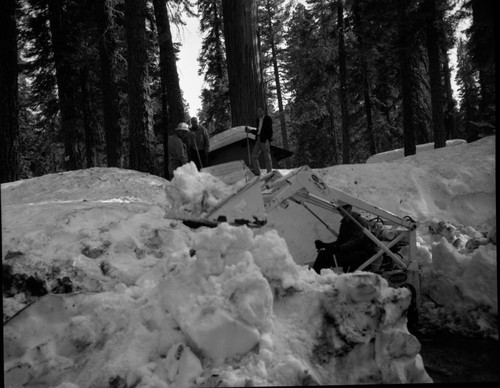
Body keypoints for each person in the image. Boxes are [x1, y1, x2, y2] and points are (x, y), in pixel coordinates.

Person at [312, 202, 377, 274]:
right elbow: (340, 241)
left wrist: (340, 248)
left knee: (327, 257)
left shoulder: (359, 222)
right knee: (323, 253)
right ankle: (315, 276)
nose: (341, 212)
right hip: (349, 251)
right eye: (339, 209)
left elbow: (357, 240)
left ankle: (316, 276)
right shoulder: (344, 223)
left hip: (359, 254)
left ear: (349, 208)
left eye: (342, 209)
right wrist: (325, 245)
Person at [245, 106, 273, 175]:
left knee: (267, 157)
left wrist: (268, 140)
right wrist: (250, 131)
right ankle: (257, 172)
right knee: (254, 156)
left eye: (260, 110)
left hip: (265, 140)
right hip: (258, 139)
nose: (259, 112)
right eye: (258, 111)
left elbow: (270, 131)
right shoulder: (258, 120)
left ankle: (269, 173)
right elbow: (258, 131)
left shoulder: (267, 119)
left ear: (263, 111)